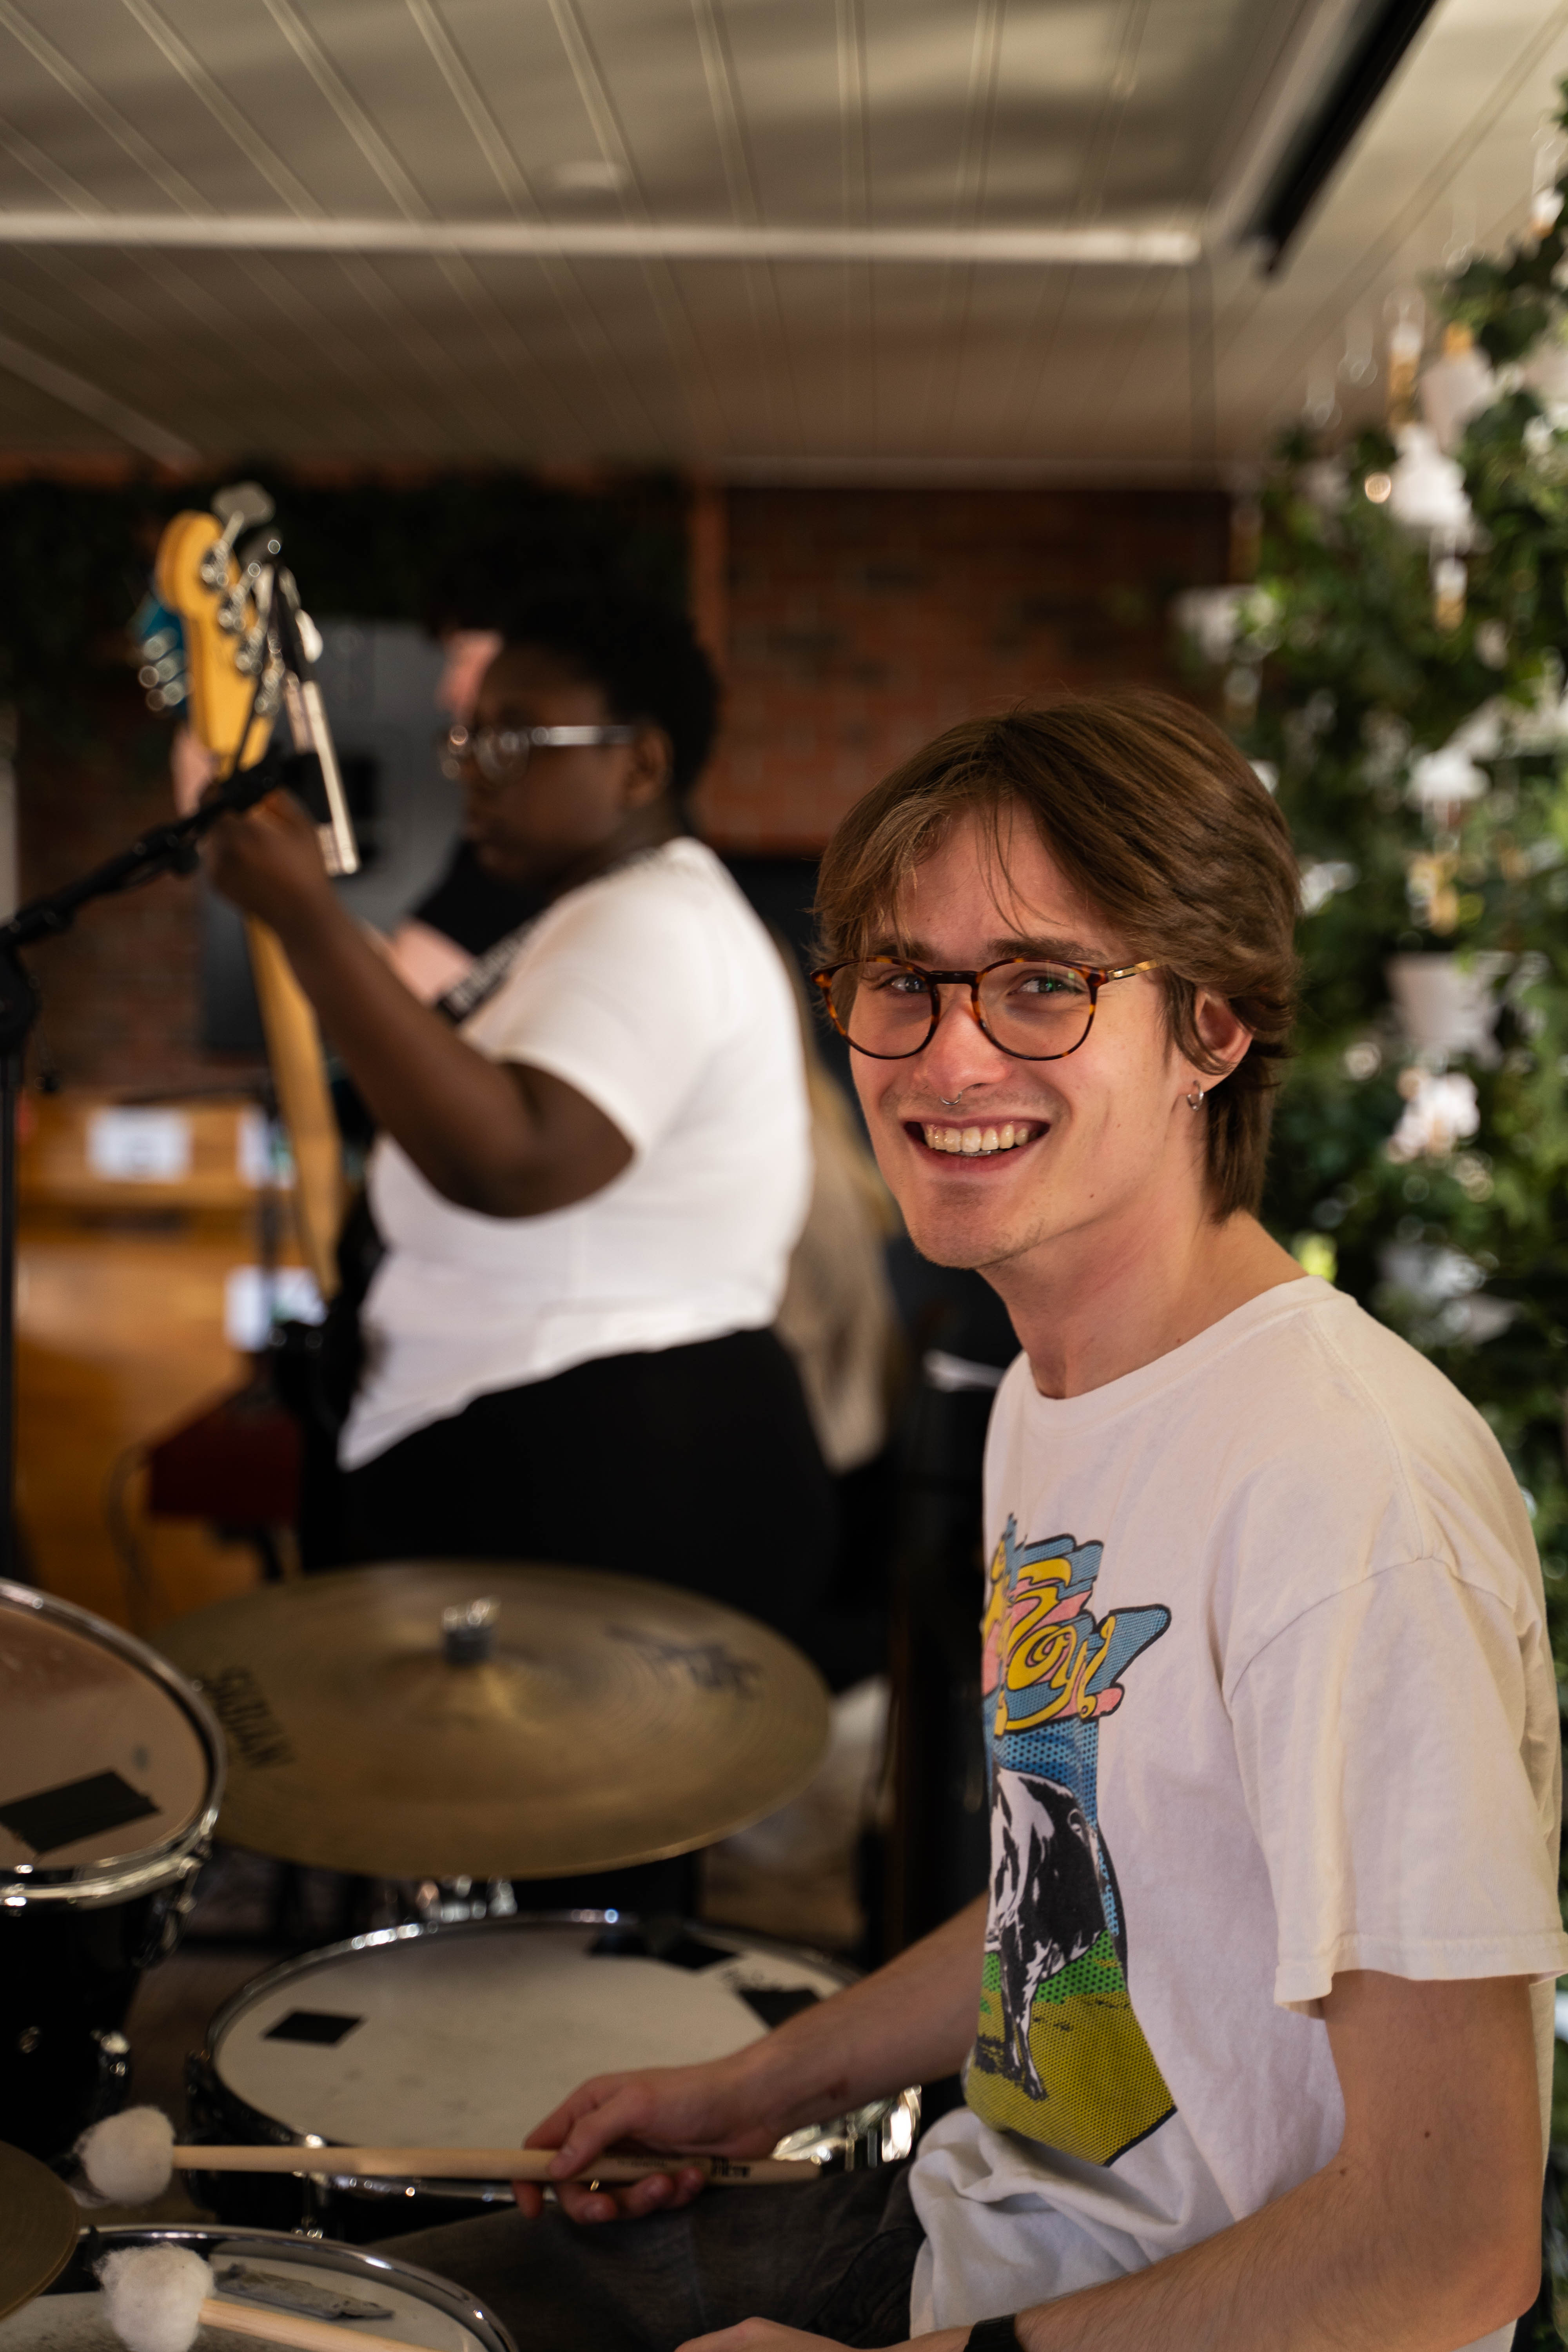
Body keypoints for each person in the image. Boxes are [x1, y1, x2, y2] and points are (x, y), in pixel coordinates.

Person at [381, 691, 1566, 2352]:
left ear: (1212, 1028)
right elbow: (1081, 1878)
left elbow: (1450, 2249)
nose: (947, 1059)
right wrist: (756, 2088)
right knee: (392, 2311)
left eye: (1040, 985)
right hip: (980, 2239)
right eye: (903, 981)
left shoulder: (1344, 1492)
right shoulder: (1048, 1393)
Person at [205, 589, 834, 1659]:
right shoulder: (598, 912)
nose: (473, 770)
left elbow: (518, 1158)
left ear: (640, 765)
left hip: (600, 1468)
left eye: (514, 740)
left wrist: (310, 921)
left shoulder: (656, 921)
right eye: (467, 740)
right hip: (558, 1444)